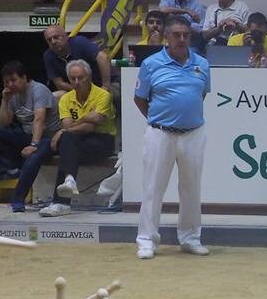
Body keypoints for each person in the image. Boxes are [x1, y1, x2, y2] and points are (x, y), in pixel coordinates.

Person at [133, 15, 210, 258]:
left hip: (193, 134)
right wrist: (161, 120)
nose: (181, 39)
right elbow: (140, 98)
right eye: (176, 35)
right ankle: (146, 240)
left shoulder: (202, 64)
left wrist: (183, 117)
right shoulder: (151, 64)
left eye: (186, 35)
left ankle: (190, 238)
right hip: (160, 133)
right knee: (153, 188)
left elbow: (201, 95)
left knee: (191, 188)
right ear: (167, 36)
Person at [38, 60, 116, 217]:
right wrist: (86, 118)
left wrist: (63, 131)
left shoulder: (103, 95)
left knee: (67, 142)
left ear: (89, 77)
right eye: (72, 79)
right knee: (68, 143)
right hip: (76, 140)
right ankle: (69, 180)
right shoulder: (66, 99)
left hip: (102, 140)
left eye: (80, 78)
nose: (77, 82)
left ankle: (60, 202)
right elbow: (69, 125)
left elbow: (90, 127)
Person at [0, 61, 61, 213]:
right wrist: (4, 101)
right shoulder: (12, 95)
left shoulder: (39, 90)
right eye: (6, 82)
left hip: (48, 138)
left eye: (13, 80)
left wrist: (34, 145)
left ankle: (18, 198)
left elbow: (40, 119)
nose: (10, 84)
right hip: (26, 134)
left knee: (34, 158)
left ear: (25, 78)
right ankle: (7, 170)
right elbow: (4, 123)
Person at [42, 24, 110, 92]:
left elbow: (103, 58)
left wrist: (105, 86)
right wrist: (83, 91)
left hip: (105, 84)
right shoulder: (48, 55)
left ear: (66, 36)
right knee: (56, 96)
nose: (53, 42)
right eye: (49, 40)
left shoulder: (79, 42)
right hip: (76, 90)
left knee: (112, 95)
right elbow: (59, 84)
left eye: (56, 37)